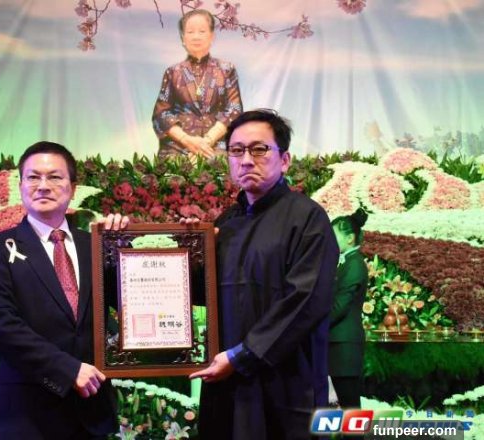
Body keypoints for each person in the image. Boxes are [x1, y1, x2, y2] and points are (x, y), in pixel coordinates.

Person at [189, 109, 339, 439]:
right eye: (236, 150)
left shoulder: (308, 219)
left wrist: (243, 355)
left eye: (259, 149)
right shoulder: (225, 223)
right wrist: (190, 252)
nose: (246, 160)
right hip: (227, 383)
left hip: (285, 385)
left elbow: (305, 301)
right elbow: (203, 293)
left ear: (284, 160)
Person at [0, 141, 128, 439]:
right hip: (25, 415)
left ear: (73, 187)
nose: (43, 186)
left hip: (91, 413)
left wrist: (124, 247)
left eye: (55, 177)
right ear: (20, 185)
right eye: (33, 177)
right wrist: (67, 370)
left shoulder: (97, 245)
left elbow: (131, 303)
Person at [152, 9, 243, 159]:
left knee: (219, 165)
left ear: (212, 36)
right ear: (183, 38)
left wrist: (206, 142)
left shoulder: (227, 70)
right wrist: (187, 141)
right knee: (175, 169)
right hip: (178, 145)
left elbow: (234, 110)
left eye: (202, 31)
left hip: (216, 144)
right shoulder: (173, 72)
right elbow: (161, 114)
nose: (196, 36)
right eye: (190, 32)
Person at [329, 209, 369, 409]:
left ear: (350, 238)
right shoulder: (347, 263)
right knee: (347, 407)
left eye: (334, 236)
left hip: (344, 347)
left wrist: (313, 322)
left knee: (350, 407)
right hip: (339, 345)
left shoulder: (354, 265)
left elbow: (340, 305)